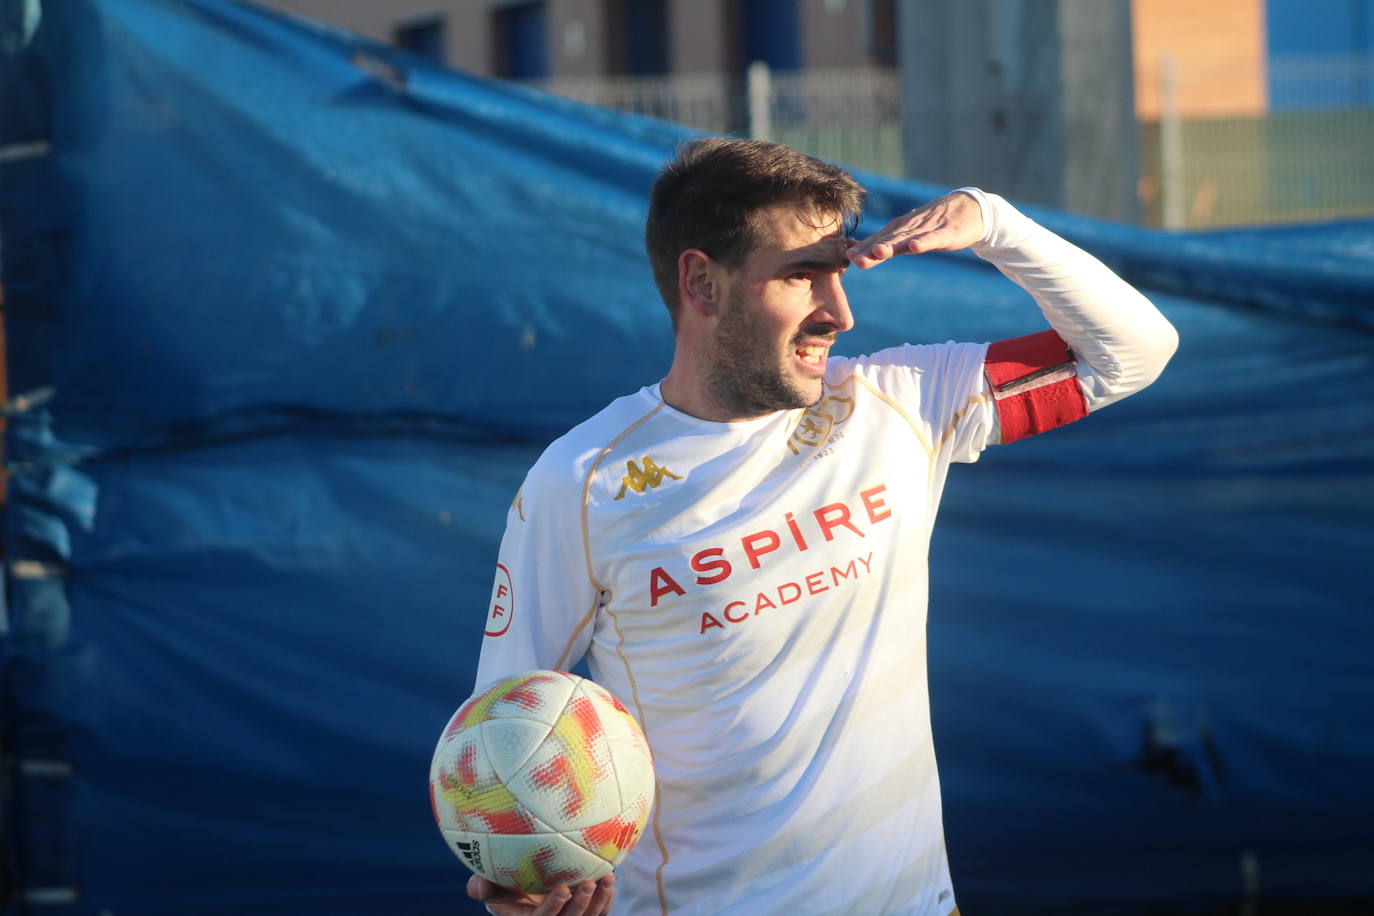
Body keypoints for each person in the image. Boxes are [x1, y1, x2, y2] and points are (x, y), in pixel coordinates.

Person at [467, 138, 1178, 916]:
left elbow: (1135, 351)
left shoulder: (901, 404)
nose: (839, 312)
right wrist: (523, 880)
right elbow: (504, 733)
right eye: (802, 275)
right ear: (702, 282)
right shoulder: (582, 482)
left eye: (838, 271)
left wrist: (994, 222)